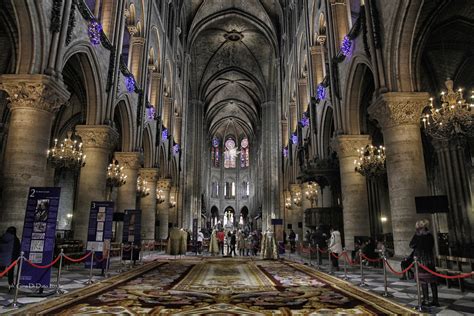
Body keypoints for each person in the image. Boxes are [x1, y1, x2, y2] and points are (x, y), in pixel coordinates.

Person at [410, 219, 439, 307]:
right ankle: (435, 300)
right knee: (432, 281)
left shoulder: (417, 236)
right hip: (429, 260)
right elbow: (431, 245)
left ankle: (426, 300)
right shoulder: (430, 235)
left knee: (423, 281)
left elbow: (411, 245)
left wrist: (417, 245)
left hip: (421, 261)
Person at [0, 227, 21, 291]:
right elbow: (17, 250)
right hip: (11, 258)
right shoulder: (15, 239)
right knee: (10, 272)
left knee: (1, 272)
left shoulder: (2, 237)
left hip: (1, 258)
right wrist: (18, 259)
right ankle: (11, 284)